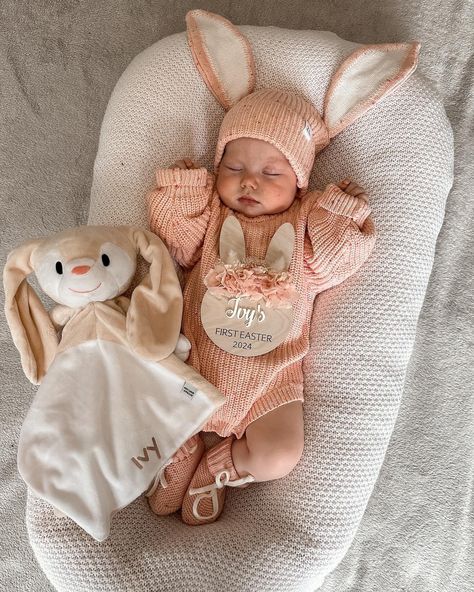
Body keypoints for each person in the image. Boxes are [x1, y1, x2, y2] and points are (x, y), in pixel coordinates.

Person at [146, 88, 376, 525]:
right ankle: (181, 448)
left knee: (279, 454)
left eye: (272, 172)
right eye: (234, 167)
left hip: (271, 381)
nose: (250, 181)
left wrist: (341, 214)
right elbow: (174, 239)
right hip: (191, 364)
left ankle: (218, 467)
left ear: (300, 183)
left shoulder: (305, 225)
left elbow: (338, 259)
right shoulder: (213, 216)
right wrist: (182, 190)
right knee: (144, 404)